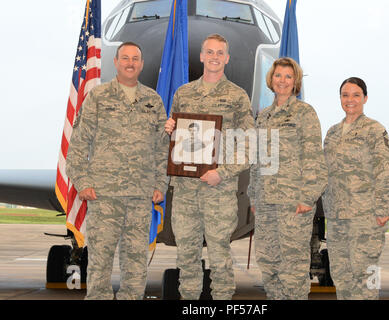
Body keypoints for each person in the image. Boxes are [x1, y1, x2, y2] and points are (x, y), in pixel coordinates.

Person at [66, 42, 168, 300]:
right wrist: (83, 182)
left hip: (139, 196)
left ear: (142, 64)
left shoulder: (153, 101)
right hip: (104, 196)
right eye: (125, 58)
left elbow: (161, 148)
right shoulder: (99, 97)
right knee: (100, 265)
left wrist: (160, 184)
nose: (130, 63)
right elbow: (78, 145)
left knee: (135, 267)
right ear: (116, 61)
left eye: (135, 58)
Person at [164, 34, 255, 300]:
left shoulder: (237, 97)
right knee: (186, 255)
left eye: (220, 53)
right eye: (210, 52)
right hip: (185, 190)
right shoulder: (183, 93)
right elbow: (176, 139)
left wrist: (222, 173)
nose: (214, 57)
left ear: (226, 58)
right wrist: (169, 129)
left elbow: (250, 144)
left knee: (220, 256)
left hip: (219, 189)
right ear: (201, 56)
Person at [248, 57, 327, 300]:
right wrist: (253, 196)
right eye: (278, 76)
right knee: (270, 265)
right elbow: (257, 161)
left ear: (296, 82)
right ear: (271, 80)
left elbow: (315, 158)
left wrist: (307, 198)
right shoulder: (263, 116)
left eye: (288, 77)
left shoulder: (304, 113)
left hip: (293, 205)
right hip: (265, 204)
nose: (282, 81)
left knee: (292, 268)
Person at [322, 77, 389, 300]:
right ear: (340, 99)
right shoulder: (332, 133)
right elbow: (324, 173)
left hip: (365, 219)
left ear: (365, 98)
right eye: (345, 95)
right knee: (342, 278)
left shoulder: (374, 130)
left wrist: (382, 209)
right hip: (337, 220)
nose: (350, 100)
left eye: (356, 95)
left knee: (366, 281)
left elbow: (388, 172)